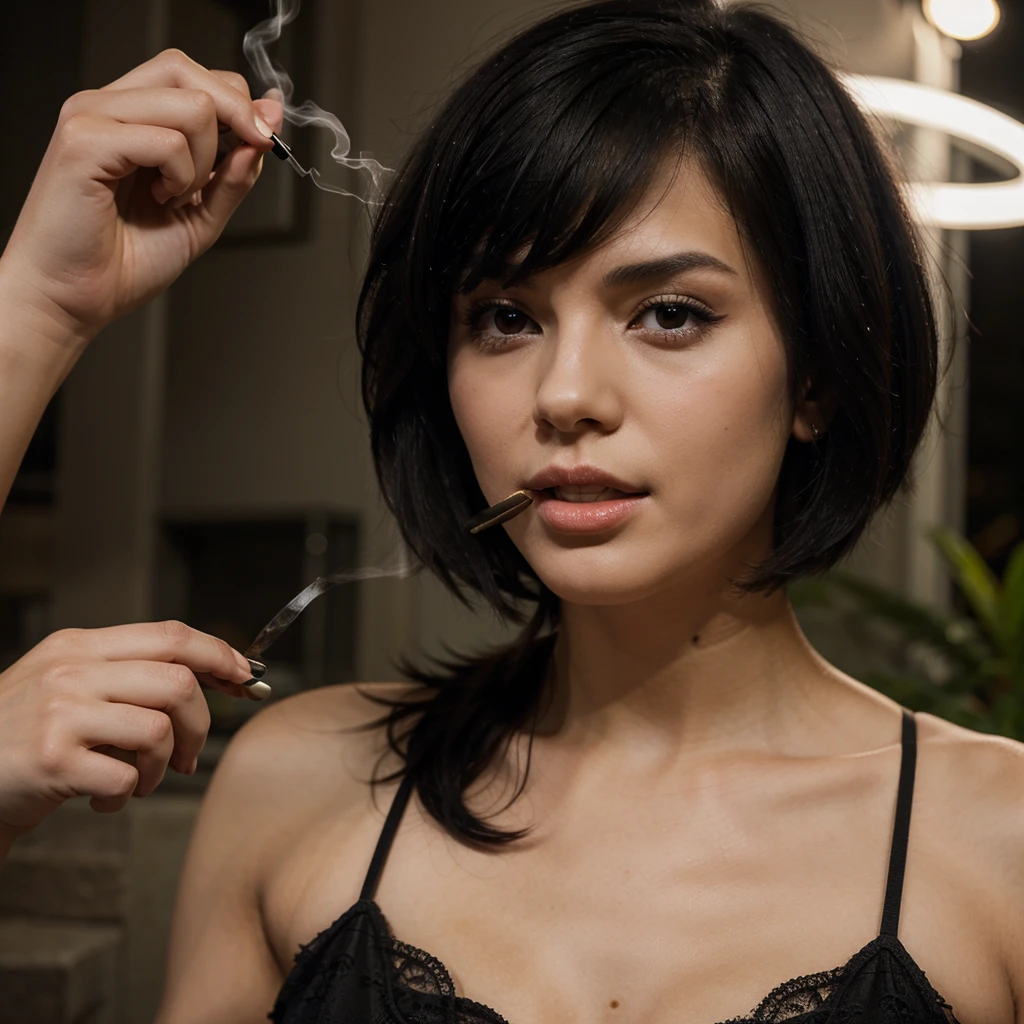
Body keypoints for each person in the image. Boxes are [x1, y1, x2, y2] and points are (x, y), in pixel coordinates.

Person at [0, 1, 1021, 1022]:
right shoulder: (297, 781)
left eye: (669, 313)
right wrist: (37, 308)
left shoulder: (996, 839)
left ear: (815, 381)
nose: (565, 394)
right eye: (505, 318)